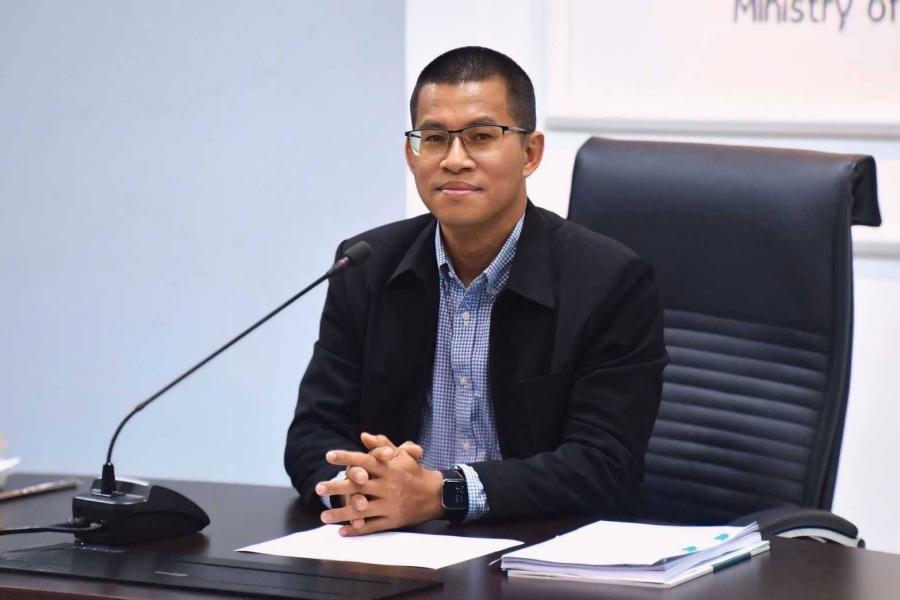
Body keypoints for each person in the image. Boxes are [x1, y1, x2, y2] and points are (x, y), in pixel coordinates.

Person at [284, 46, 667, 536]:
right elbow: (314, 431)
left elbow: (604, 463)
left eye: (481, 137)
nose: (455, 160)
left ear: (530, 153)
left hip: (536, 549)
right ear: (411, 154)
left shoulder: (609, 280)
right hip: (394, 545)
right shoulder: (366, 266)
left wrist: (443, 493)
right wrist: (360, 488)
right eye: (434, 139)